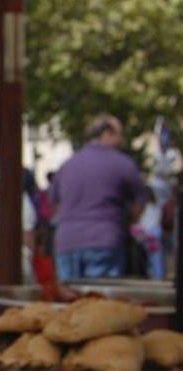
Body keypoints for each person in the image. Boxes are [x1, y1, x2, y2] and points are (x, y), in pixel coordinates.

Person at [49, 115, 148, 280]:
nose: (122, 140)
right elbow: (140, 201)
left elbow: (55, 202)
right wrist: (128, 221)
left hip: (67, 242)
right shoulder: (122, 163)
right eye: (119, 134)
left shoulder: (68, 164)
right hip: (104, 240)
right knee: (99, 294)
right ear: (107, 133)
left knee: (69, 294)